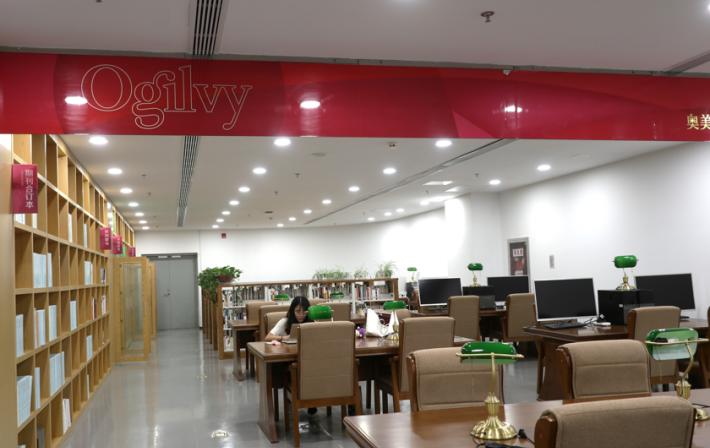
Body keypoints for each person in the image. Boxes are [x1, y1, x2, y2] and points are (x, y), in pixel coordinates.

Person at [264, 296, 319, 415]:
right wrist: (285, 337)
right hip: (288, 360)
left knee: (313, 367)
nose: (301, 315)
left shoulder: (312, 322)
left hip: (306, 358)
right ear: (292, 311)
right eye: (297, 311)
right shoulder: (285, 322)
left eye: (304, 312)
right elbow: (268, 337)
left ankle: (311, 399)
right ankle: (297, 398)